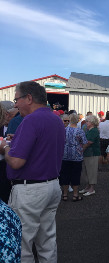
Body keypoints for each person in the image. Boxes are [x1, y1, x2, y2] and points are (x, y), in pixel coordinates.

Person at [0, 81, 65, 262]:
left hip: (30, 190)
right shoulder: (56, 119)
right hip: (52, 185)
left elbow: (15, 161)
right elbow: (43, 147)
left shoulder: (31, 120)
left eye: (16, 99)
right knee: (47, 241)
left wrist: (5, 147)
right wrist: (18, 140)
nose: (15, 104)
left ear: (28, 98)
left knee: (23, 242)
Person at [60, 113, 88, 201]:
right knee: (76, 175)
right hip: (77, 156)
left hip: (65, 156)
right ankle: (75, 195)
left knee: (65, 175)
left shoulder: (64, 130)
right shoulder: (80, 131)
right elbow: (85, 142)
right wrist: (81, 149)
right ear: (77, 120)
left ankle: (65, 194)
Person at [79, 115, 101, 196]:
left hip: (92, 153)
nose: (86, 122)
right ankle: (87, 187)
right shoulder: (89, 130)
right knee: (87, 171)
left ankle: (92, 189)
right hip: (88, 153)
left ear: (92, 123)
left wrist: (81, 149)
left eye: (87, 121)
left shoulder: (94, 130)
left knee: (91, 171)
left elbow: (89, 142)